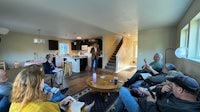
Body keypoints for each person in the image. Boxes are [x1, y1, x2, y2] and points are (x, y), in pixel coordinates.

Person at [9, 64, 95, 112]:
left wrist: (59, 104)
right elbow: (44, 108)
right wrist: (70, 109)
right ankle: (85, 110)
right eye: (42, 82)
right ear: (36, 87)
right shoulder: (41, 108)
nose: (44, 84)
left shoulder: (14, 104)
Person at [115, 71, 200, 112]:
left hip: (142, 109)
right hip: (143, 101)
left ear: (180, 90)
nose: (170, 86)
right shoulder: (179, 95)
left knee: (122, 90)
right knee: (126, 94)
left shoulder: (184, 109)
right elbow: (159, 94)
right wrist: (159, 90)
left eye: (172, 85)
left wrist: (150, 103)